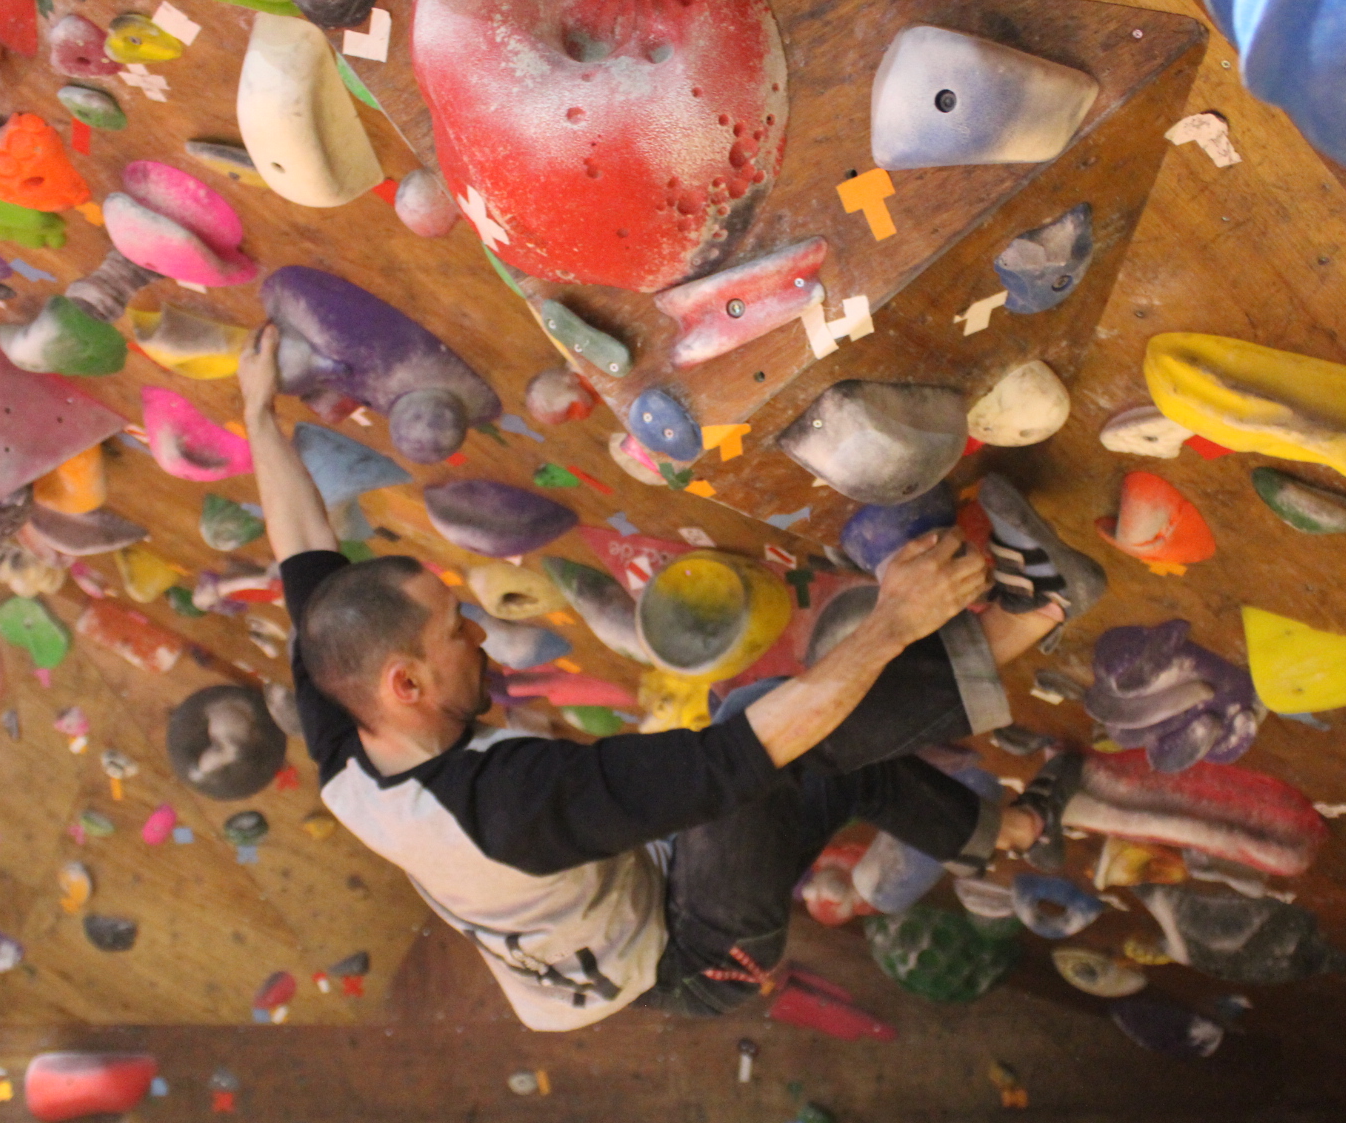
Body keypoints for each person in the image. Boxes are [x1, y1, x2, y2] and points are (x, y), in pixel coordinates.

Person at [242, 325, 1078, 1031]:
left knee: (827, 761)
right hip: (696, 960)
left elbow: (303, 560)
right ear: (406, 687)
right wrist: (898, 617)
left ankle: (1007, 832)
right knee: (769, 736)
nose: (482, 636)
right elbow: (738, 758)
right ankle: (1037, 610)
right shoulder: (516, 803)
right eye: (457, 634)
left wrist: (258, 418)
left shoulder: (349, 728)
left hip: (621, 893)